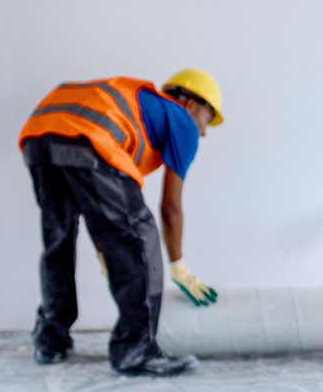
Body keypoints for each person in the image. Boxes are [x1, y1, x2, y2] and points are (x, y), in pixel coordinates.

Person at [17, 69, 225, 376]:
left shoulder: (143, 110)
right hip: (87, 137)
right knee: (142, 237)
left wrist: (110, 250)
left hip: (39, 133)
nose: (204, 132)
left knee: (58, 236)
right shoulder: (182, 121)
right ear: (191, 104)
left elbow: (101, 211)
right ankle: (135, 350)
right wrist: (179, 266)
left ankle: (51, 340)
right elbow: (170, 208)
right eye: (208, 119)